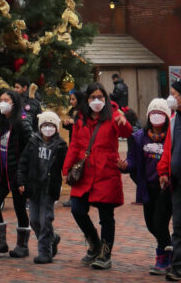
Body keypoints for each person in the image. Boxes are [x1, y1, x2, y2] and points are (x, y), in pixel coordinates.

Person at [63, 81, 133, 270]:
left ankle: (105, 254)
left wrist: (123, 123)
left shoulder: (114, 115)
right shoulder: (80, 119)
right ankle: (94, 242)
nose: (96, 100)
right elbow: (75, 145)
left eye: (100, 97)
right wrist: (67, 168)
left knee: (106, 217)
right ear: (87, 99)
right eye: (93, 97)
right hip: (85, 172)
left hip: (106, 172)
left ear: (105, 98)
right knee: (77, 209)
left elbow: (128, 132)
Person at [0, 87, 33, 259]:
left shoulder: (22, 122)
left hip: (17, 174)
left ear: (14, 103)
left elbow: (31, 146)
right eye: (1, 100)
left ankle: (22, 245)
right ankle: (0, 242)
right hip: (2, 173)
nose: (2, 104)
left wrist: (24, 174)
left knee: (20, 208)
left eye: (6, 101)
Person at [127, 97, 172, 275]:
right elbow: (133, 161)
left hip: (165, 188)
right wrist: (125, 165)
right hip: (147, 187)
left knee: (160, 222)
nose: (156, 117)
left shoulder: (172, 136)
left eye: (160, 113)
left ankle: (163, 256)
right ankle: (171, 248)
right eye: (153, 113)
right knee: (150, 224)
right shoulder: (140, 137)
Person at [17, 109, 68, 264]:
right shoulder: (33, 142)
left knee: (45, 220)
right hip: (33, 187)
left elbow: (66, 163)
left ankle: (45, 252)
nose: (48, 128)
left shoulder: (60, 145)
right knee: (34, 220)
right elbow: (23, 163)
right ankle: (52, 239)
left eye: (51, 125)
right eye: (45, 124)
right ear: (40, 126)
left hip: (49, 188)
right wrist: (21, 181)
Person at [157, 80, 181, 281]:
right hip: (177, 182)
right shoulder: (173, 121)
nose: (172, 98)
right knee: (179, 226)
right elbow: (167, 150)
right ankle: (178, 267)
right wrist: (163, 171)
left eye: (176, 94)